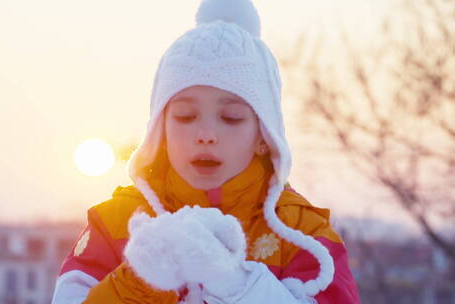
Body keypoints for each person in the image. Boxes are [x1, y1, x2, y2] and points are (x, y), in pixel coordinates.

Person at [51, 0, 361, 303]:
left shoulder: (301, 232)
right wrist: (141, 280)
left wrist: (234, 283)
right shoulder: (115, 222)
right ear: (161, 130)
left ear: (263, 136)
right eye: (186, 116)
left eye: (231, 118)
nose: (206, 135)